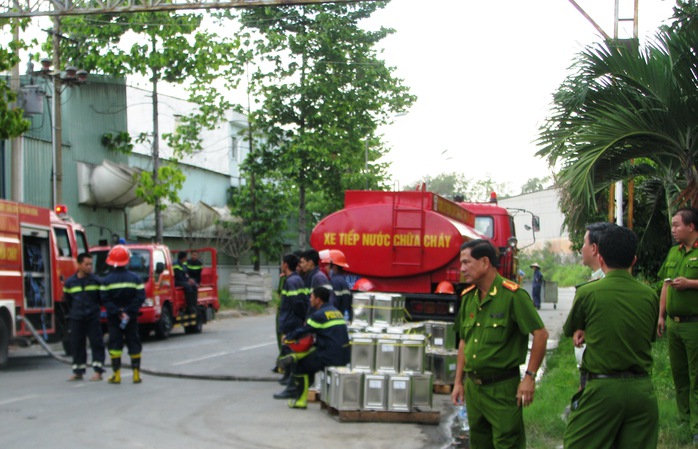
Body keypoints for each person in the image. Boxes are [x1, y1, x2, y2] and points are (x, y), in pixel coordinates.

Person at [563, 225, 659, 449]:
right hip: (642, 390)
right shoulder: (649, 295)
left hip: (603, 389)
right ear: (634, 260)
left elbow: (572, 329)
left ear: (601, 257)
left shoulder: (588, 292)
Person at [451, 239, 548, 449]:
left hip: (502, 389)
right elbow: (464, 342)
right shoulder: (469, 298)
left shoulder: (513, 296)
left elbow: (540, 335)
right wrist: (458, 381)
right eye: (461, 263)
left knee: (507, 443)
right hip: (474, 389)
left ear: (485, 262)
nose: (462, 269)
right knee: (479, 443)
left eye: (467, 262)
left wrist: (529, 377)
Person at [658, 207, 698, 445]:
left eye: (677, 225)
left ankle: (696, 425)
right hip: (675, 325)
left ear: (691, 227)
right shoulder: (674, 252)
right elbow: (665, 284)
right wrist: (661, 315)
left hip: (694, 325)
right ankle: (685, 419)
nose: (673, 230)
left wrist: (691, 283)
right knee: (680, 374)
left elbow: (684, 283)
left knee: (697, 376)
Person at [278, 286, 350, 409]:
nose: (310, 299)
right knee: (311, 353)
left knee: (301, 366)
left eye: (311, 297)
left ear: (318, 300)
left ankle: (300, 401)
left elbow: (303, 330)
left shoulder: (319, 315)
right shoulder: (335, 312)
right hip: (344, 355)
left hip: (330, 356)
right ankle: (294, 356)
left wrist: (287, 337)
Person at [574, 221, 614, 390]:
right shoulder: (596, 280)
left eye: (585, 243)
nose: (582, 248)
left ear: (594, 248)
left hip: (601, 372)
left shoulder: (603, 285)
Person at [101, 245, 146, 384]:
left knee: (115, 344)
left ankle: (117, 375)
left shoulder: (106, 280)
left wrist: (118, 312)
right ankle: (136, 375)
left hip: (114, 318)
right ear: (127, 260)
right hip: (131, 318)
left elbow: (104, 299)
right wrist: (128, 312)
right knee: (134, 342)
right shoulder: (136, 279)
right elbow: (140, 297)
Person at [63, 252, 105, 382]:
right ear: (79, 265)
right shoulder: (70, 283)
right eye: (86, 264)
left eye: (90, 264)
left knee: (96, 343)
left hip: (92, 317)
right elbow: (67, 301)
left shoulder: (96, 281)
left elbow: (101, 299)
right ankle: (78, 371)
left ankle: (98, 371)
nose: (89, 267)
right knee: (77, 344)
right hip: (76, 318)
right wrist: (74, 312)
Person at [274, 253, 309, 390]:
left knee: (290, 350)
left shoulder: (292, 281)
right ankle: (288, 375)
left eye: (282, 263)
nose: (281, 265)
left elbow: (297, 303)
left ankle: (291, 378)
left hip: (291, 321)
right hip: (292, 320)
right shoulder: (295, 279)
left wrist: (298, 321)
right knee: (287, 349)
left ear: (286, 265)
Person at [324, 249, 353, 321]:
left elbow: (333, 304)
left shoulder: (334, 282)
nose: (325, 268)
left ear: (334, 267)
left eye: (327, 265)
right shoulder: (342, 280)